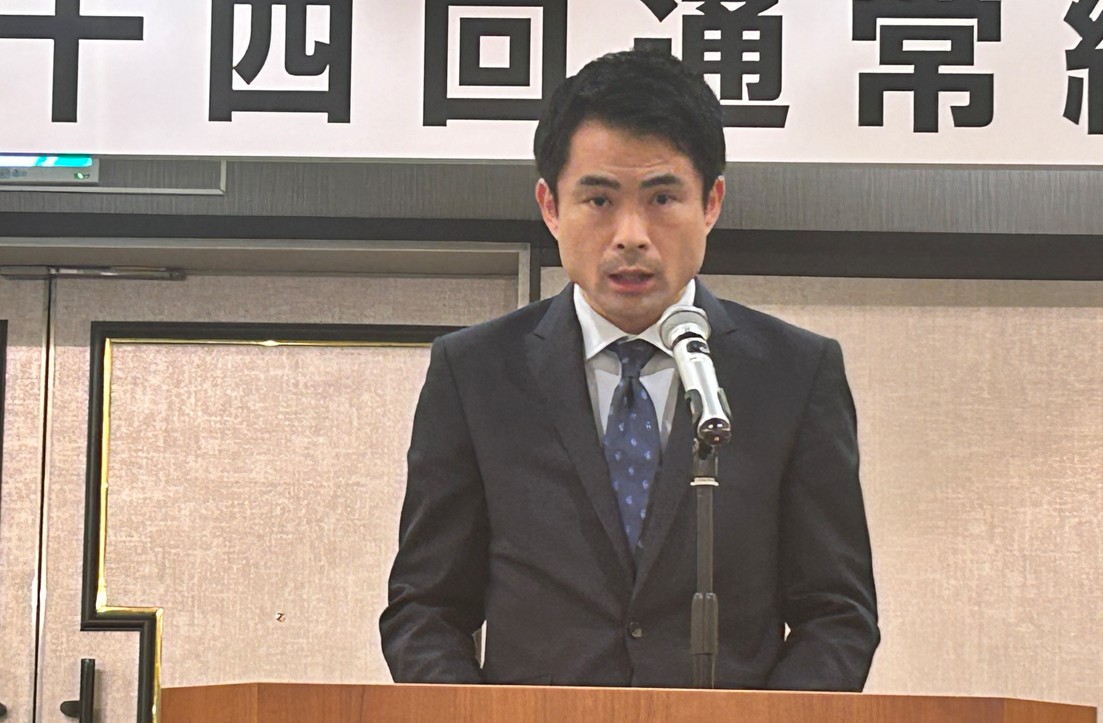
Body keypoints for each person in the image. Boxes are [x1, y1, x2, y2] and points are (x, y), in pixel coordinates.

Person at [379, 49, 879, 690]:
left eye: (663, 197)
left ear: (712, 202)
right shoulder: (475, 373)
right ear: (550, 206)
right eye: (598, 200)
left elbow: (837, 615)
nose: (631, 235)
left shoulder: (795, 374)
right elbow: (426, 608)